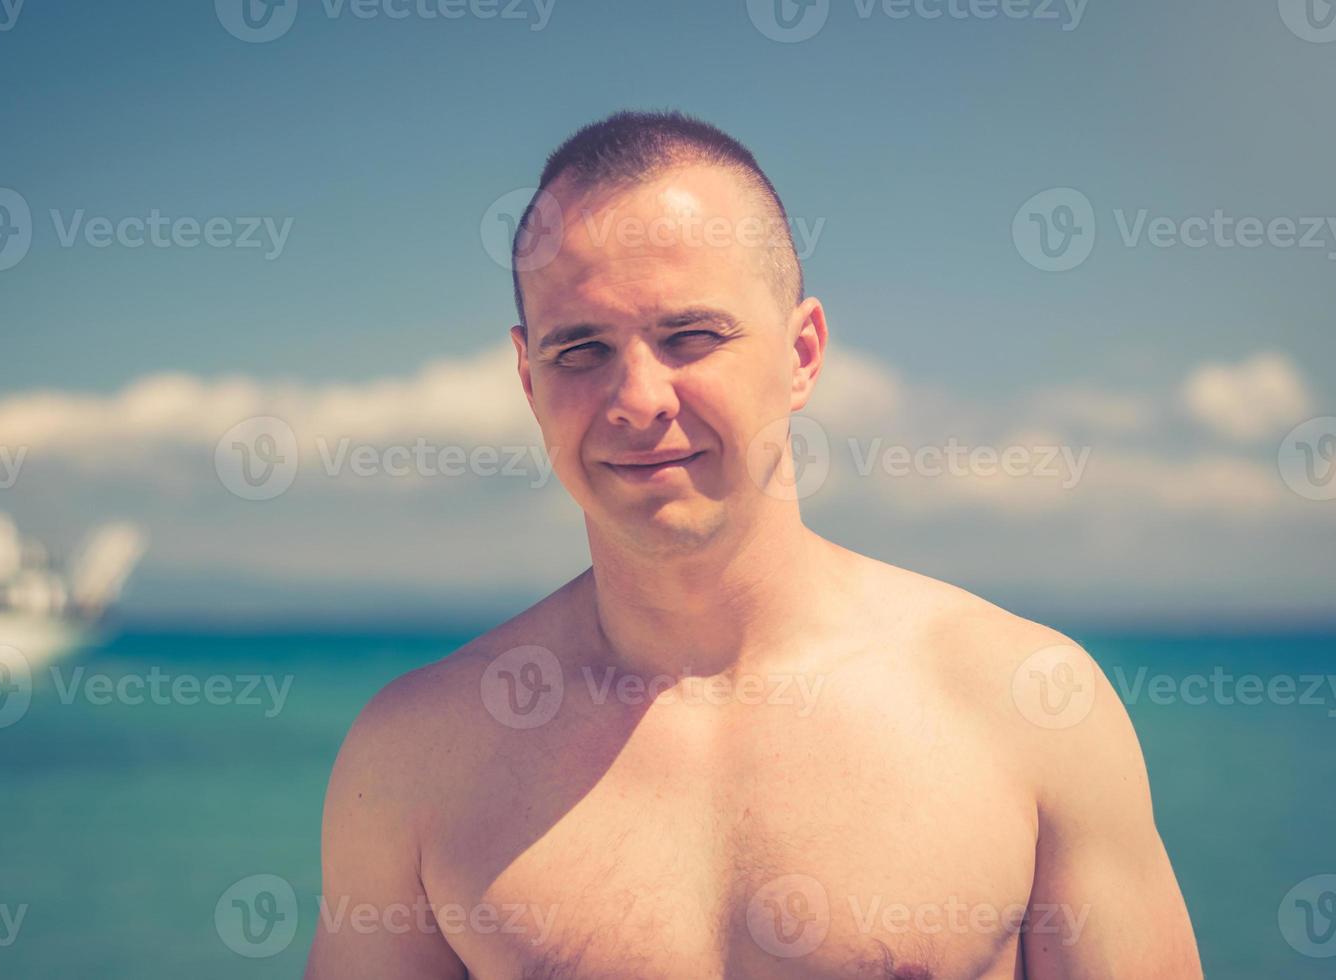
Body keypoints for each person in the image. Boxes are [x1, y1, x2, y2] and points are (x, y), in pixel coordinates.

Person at [304, 109, 1203, 979]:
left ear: (803, 352)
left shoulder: (1026, 707)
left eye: (690, 336)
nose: (638, 398)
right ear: (528, 378)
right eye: (580, 351)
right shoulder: (418, 757)